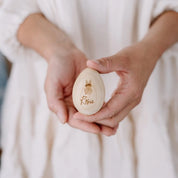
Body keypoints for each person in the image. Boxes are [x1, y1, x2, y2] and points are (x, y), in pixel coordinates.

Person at [0, 0, 178, 177]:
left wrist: (148, 51)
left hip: (150, 88)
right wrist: (56, 49)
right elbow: (11, 8)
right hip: (47, 86)